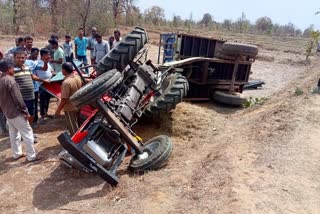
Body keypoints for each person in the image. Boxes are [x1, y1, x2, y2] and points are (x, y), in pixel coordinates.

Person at [0, 60, 39, 162]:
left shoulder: (1, 80)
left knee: (14, 134)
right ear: (9, 69)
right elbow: (18, 99)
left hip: (7, 113)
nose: (13, 69)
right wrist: (25, 111)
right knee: (27, 133)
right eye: (12, 68)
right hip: (16, 113)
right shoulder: (11, 81)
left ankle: (17, 154)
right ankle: (31, 156)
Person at [13, 48, 50, 126]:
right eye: (18, 57)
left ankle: (29, 131)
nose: (21, 59)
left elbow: (32, 76)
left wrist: (43, 80)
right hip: (21, 99)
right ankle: (24, 133)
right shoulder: (12, 70)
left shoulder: (27, 67)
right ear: (14, 58)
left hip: (31, 96)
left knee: (32, 114)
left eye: (23, 57)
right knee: (22, 116)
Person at [55, 62, 83, 135]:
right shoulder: (77, 77)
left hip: (70, 107)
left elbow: (64, 99)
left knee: (73, 127)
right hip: (79, 104)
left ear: (64, 70)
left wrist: (58, 110)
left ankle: (76, 143)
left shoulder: (66, 82)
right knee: (77, 124)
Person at [34, 49, 54, 124]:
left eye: (49, 55)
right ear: (42, 55)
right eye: (47, 55)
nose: (49, 56)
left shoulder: (48, 63)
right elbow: (35, 74)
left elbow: (51, 71)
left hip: (49, 83)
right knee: (42, 100)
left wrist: (53, 73)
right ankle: (42, 116)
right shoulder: (37, 63)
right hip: (41, 85)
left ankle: (45, 113)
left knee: (47, 99)